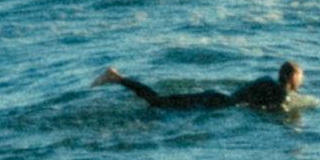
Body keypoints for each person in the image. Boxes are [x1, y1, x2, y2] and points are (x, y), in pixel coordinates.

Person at [99, 60, 306, 114]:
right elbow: (276, 112)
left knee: (159, 101)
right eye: (299, 77)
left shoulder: (266, 79)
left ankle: (119, 78)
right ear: (291, 78)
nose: (301, 81)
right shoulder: (281, 95)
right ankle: (117, 78)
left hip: (216, 97)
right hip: (215, 105)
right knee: (157, 102)